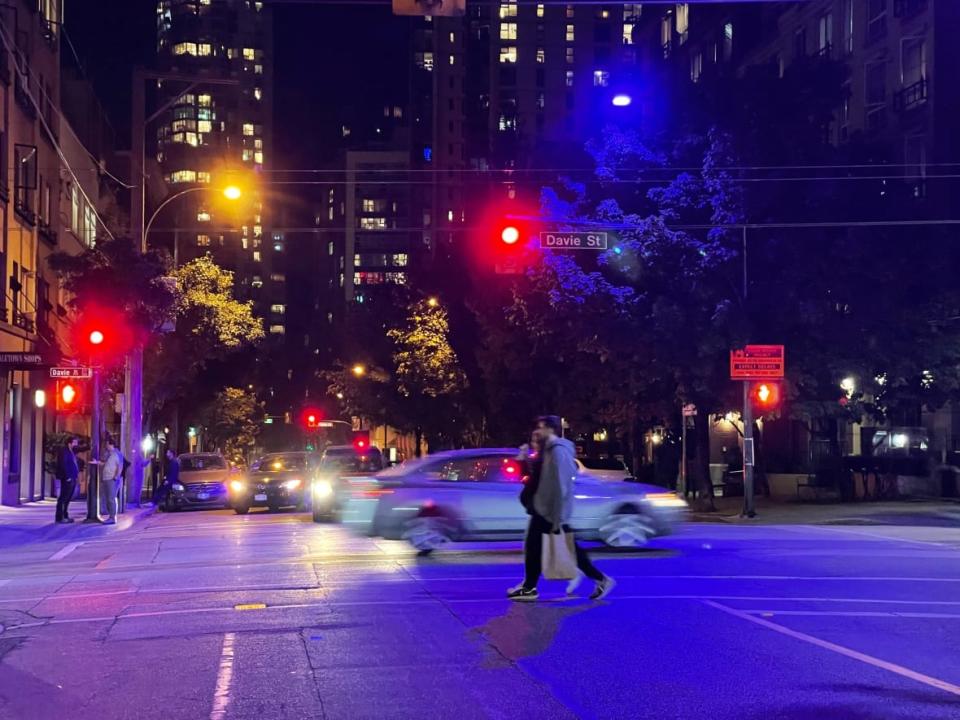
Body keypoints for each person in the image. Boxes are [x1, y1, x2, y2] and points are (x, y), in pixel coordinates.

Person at [507, 416, 615, 602]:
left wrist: (557, 517)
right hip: (543, 508)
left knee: (566, 548)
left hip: (551, 511)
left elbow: (560, 485)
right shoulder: (547, 451)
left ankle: (601, 579)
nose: (538, 431)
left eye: (541, 427)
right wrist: (525, 460)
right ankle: (529, 587)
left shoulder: (558, 452)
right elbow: (539, 480)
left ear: (551, 430)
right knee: (537, 547)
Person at [54, 436, 81, 524]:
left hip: (72, 477)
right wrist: (68, 476)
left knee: (68, 498)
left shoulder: (71, 451)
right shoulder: (64, 451)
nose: (76, 443)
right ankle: (60, 517)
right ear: (70, 442)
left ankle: (65, 515)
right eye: (75, 442)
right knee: (64, 497)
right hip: (67, 478)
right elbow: (64, 464)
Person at [99, 437, 124, 525]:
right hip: (106, 478)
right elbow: (106, 464)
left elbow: (120, 465)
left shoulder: (117, 454)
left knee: (111, 498)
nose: (106, 446)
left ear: (111, 444)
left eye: (107, 444)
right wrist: (97, 463)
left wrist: (116, 476)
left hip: (111, 479)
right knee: (108, 498)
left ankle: (112, 517)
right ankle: (110, 516)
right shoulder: (109, 454)